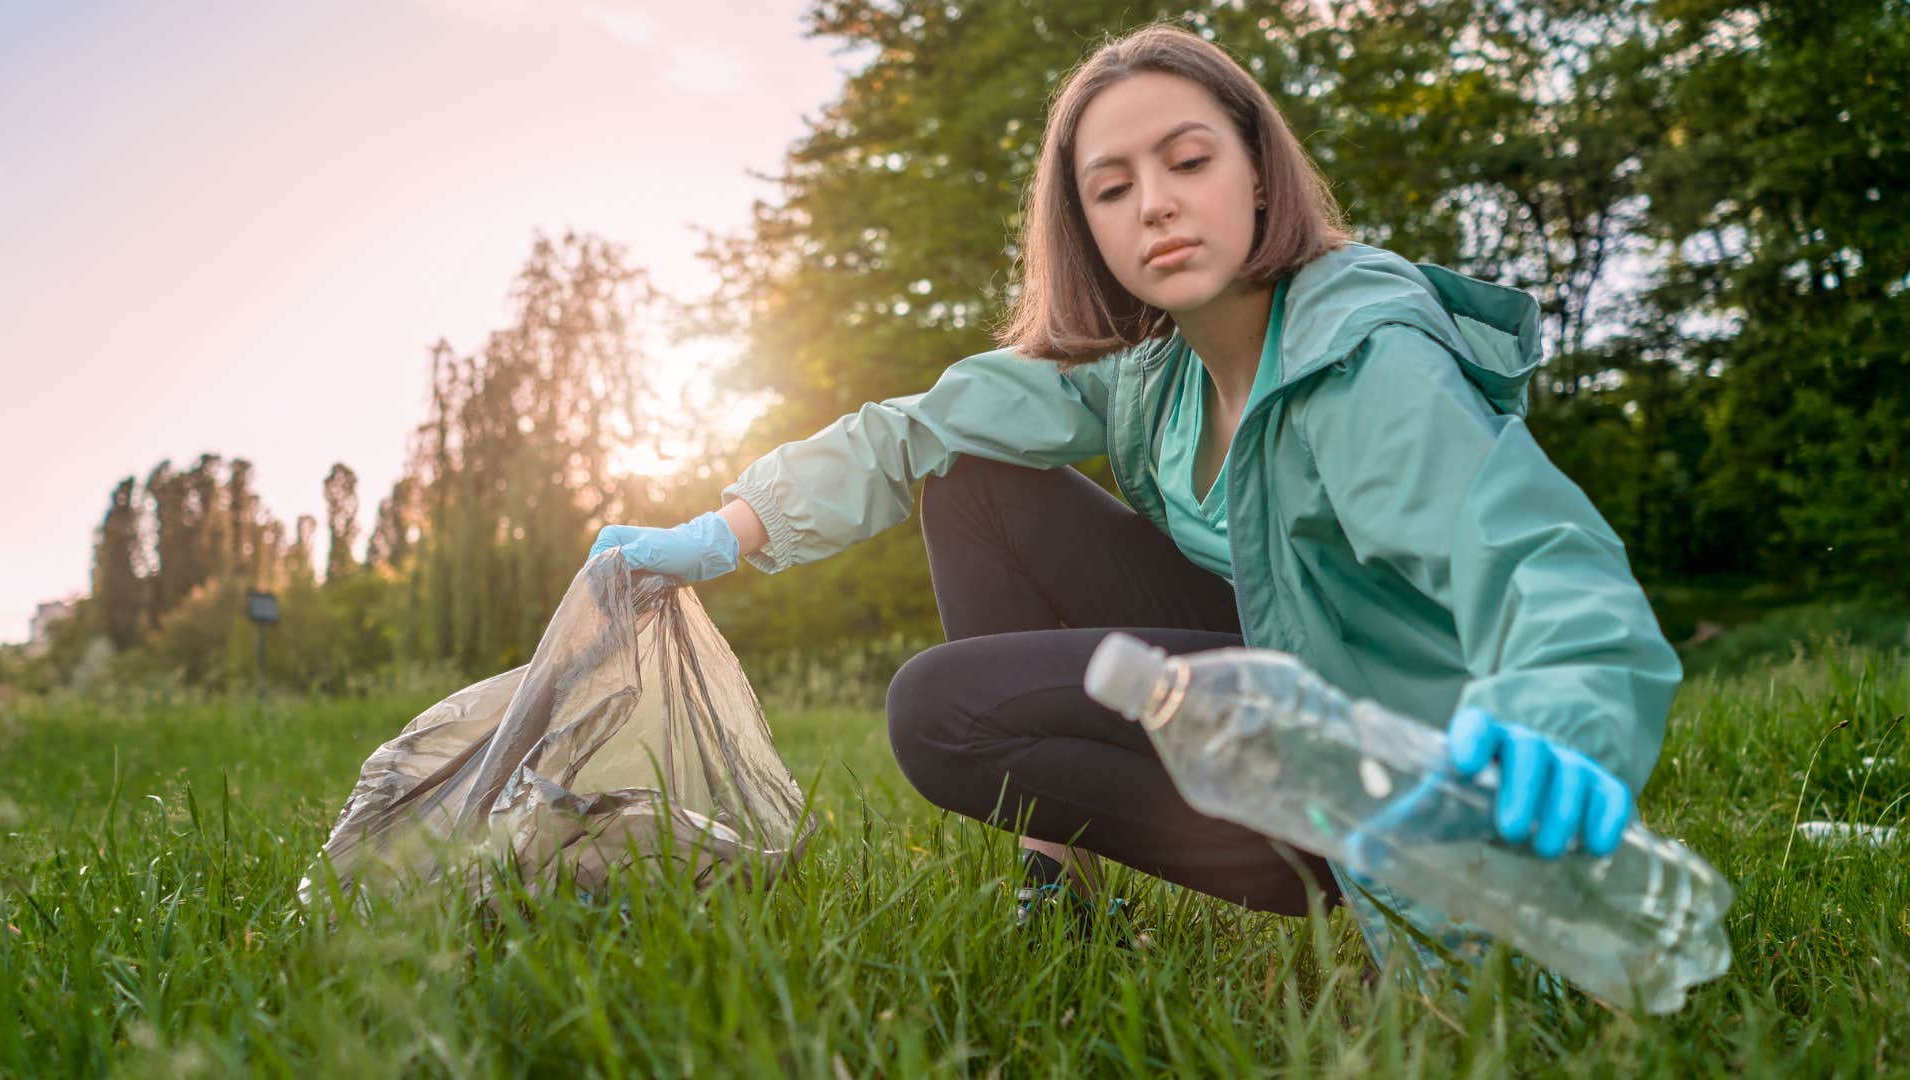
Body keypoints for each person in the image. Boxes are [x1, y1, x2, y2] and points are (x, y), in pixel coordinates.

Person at [589, 23, 1681, 978]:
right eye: (1112, 187)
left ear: (1256, 173)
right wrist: (723, 533)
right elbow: (922, 425)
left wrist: (1561, 716)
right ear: (1092, 229)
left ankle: (1357, 869)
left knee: (938, 713)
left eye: (1187, 160)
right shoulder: (1152, 374)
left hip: (1401, 767)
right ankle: (1056, 887)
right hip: (1276, 677)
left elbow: (1534, 556)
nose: (1154, 202)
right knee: (972, 476)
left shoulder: (1365, 361)